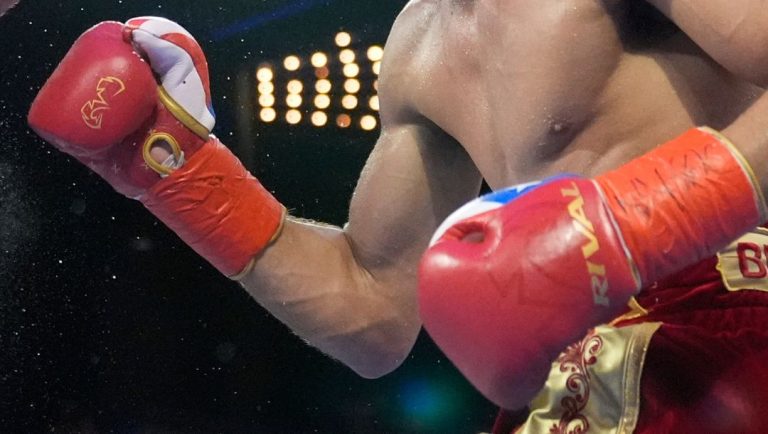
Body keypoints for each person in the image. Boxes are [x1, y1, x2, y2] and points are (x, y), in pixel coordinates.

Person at [27, 1, 768, 432]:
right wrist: (172, 167)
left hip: (735, 323)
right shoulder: (419, 44)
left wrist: (637, 224)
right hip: (582, 385)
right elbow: (373, 311)